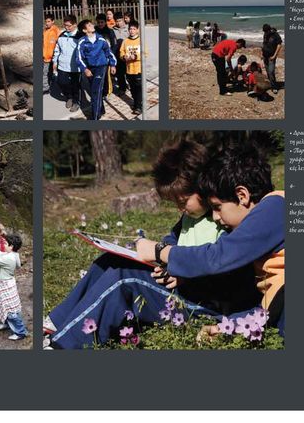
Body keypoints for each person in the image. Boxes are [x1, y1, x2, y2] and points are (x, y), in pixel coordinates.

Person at [47, 139, 261, 349]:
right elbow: (174, 240)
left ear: (203, 186)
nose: (180, 208)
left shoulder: (225, 220)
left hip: (205, 307)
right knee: (109, 261)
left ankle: (64, 345)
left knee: (125, 280)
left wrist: (182, 275)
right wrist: (165, 264)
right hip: (185, 289)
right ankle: (58, 321)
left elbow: (220, 269)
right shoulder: (193, 216)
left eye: (182, 200)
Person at [140, 144, 286, 340]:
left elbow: (218, 257)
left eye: (217, 207)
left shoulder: (276, 207)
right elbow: (269, 305)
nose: (215, 217)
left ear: (242, 195)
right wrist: (228, 327)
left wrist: (159, 251)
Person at [76, 19, 117, 120]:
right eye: (89, 25)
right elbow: (79, 57)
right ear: (85, 30)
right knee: (96, 90)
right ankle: (101, 109)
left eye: (91, 24)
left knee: (95, 91)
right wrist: (85, 69)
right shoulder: (82, 41)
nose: (92, 25)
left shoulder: (101, 39)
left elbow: (109, 52)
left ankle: (95, 117)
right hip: (90, 69)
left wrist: (112, 64)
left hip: (101, 67)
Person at [53, 15, 82, 112]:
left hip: (75, 67)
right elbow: (57, 50)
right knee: (61, 82)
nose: (67, 28)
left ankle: (76, 102)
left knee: (75, 85)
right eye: (65, 25)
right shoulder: (62, 35)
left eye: (69, 26)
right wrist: (55, 61)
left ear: (75, 25)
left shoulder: (80, 36)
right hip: (63, 65)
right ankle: (69, 96)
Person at [119, 21, 144, 115]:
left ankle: (138, 106)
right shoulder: (125, 41)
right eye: (130, 29)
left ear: (137, 30)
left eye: (134, 29)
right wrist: (124, 57)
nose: (132, 31)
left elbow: (145, 53)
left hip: (138, 69)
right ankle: (136, 103)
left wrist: (136, 56)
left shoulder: (141, 40)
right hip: (129, 70)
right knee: (132, 89)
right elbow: (121, 52)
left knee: (138, 88)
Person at [261, 24, 283, 94]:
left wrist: (274, 55)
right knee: (267, 71)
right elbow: (264, 44)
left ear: (269, 30)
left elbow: (279, 45)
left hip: (271, 56)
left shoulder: (275, 35)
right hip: (265, 56)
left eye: (266, 31)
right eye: (264, 32)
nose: (265, 33)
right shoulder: (265, 34)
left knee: (271, 71)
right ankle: (271, 84)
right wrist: (262, 54)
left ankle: (274, 87)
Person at [112, 12, 130, 95]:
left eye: (120, 20)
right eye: (117, 21)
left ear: (123, 20)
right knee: (120, 72)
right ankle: (122, 88)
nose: (118, 23)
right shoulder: (113, 30)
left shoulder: (129, 28)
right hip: (118, 54)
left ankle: (130, 84)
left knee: (129, 71)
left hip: (128, 54)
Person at [42, 14, 61, 95]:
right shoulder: (45, 31)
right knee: (45, 72)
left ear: (53, 21)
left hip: (54, 57)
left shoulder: (56, 31)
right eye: (46, 21)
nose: (47, 23)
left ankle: (56, 86)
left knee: (54, 72)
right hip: (46, 57)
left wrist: (57, 56)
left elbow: (59, 43)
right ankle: (46, 87)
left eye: (49, 21)